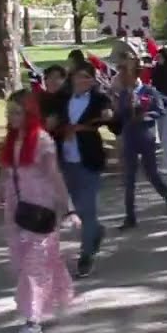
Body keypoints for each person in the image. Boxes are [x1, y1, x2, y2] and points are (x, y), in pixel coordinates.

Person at [0, 90, 75, 333]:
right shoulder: (11, 141)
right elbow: (3, 180)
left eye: (17, 112)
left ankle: (32, 324)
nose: (11, 117)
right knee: (25, 264)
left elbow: (55, 177)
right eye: (8, 112)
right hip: (16, 211)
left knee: (35, 265)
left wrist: (68, 210)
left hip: (41, 209)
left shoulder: (42, 141)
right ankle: (49, 300)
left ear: (30, 113)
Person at [56, 61, 113, 278]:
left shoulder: (99, 99)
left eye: (87, 77)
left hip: (89, 160)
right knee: (76, 209)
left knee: (86, 209)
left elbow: (111, 115)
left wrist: (108, 114)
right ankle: (96, 232)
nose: (82, 81)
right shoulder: (62, 99)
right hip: (65, 160)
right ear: (72, 78)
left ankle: (86, 255)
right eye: (79, 76)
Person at [111, 63, 167, 230]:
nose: (122, 78)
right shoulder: (124, 93)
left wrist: (145, 115)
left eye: (125, 75)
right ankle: (130, 217)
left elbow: (160, 110)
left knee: (152, 175)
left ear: (134, 75)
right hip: (129, 138)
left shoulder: (149, 91)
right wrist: (118, 106)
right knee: (129, 179)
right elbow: (119, 115)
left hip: (146, 137)